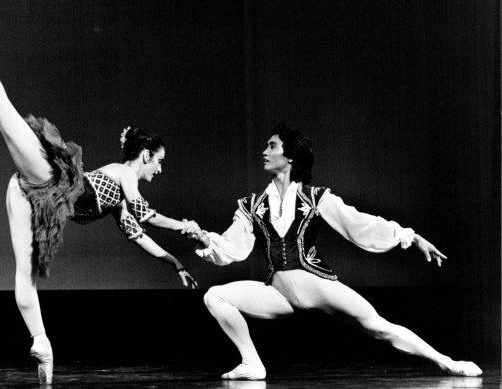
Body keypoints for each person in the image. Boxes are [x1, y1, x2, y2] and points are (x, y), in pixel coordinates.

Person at [0, 1, 198, 384]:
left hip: (33, 198)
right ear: (144, 155)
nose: (159, 169)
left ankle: (41, 342)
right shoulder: (125, 176)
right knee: (2, 110)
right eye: (158, 161)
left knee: (25, 277)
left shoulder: (120, 197)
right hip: (49, 179)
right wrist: (185, 226)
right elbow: (147, 214)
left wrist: (175, 264)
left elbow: (137, 232)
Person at [192, 123, 482, 380]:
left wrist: (410, 236)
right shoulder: (251, 205)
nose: (264, 152)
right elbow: (232, 246)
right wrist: (206, 240)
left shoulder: (317, 197)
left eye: (272, 146)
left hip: (317, 284)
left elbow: (358, 224)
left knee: (380, 327)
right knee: (215, 296)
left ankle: (448, 363)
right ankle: (252, 364)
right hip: (278, 293)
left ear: (290, 156)